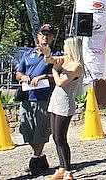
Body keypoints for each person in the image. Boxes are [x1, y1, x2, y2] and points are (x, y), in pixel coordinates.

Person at [15, 24, 56, 176]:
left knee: (41, 130)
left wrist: (43, 76)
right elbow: (18, 72)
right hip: (26, 97)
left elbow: (59, 75)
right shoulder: (28, 54)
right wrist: (23, 77)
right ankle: (39, 156)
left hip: (42, 98)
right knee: (26, 130)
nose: (45, 37)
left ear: (52, 38)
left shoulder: (55, 55)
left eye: (48, 34)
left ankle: (35, 158)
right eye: (42, 34)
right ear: (37, 36)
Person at [43, 37, 84, 180]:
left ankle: (68, 170)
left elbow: (61, 82)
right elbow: (51, 60)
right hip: (56, 101)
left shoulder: (76, 66)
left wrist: (55, 70)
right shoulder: (66, 60)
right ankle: (61, 167)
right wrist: (47, 53)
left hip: (64, 103)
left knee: (61, 138)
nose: (64, 49)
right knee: (55, 137)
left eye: (66, 47)